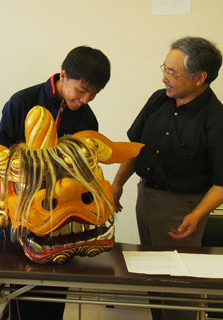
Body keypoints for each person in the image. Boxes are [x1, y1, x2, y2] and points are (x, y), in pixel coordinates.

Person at [0, 46, 111, 320]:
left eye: (94, 94)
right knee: (23, 288)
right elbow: (0, 153)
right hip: (26, 212)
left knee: (57, 287)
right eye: (82, 90)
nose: (86, 99)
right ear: (63, 74)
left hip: (64, 216)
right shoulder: (22, 102)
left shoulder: (86, 116)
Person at [112, 36, 223, 320]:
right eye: (165, 68)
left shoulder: (215, 119)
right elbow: (135, 148)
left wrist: (197, 215)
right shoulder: (158, 100)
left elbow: (222, 183)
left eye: (172, 73)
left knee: (177, 287)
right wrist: (117, 184)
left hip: (182, 208)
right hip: (146, 197)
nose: (164, 78)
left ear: (200, 78)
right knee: (152, 277)